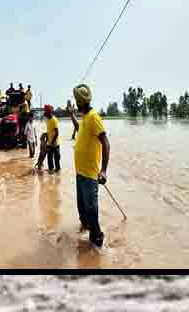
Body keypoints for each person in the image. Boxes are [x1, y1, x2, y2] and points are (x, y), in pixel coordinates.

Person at [69, 84, 110, 251]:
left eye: (76, 102)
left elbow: (106, 143)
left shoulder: (93, 117)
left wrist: (104, 170)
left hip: (90, 176)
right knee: (83, 211)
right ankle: (87, 240)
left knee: (91, 211)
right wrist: (71, 115)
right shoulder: (85, 118)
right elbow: (79, 130)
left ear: (80, 102)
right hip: (80, 173)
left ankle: (98, 242)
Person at [36, 105, 61, 173]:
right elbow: (50, 131)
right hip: (49, 143)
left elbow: (56, 133)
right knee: (49, 160)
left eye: (46, 113)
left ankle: (57, 174)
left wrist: (51, 143)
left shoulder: (54, 120)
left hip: (55, 144)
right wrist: (45, 135)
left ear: (49, 113)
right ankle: (51, 173)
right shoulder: (48, 120)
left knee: (57, 160)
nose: (45, 115)